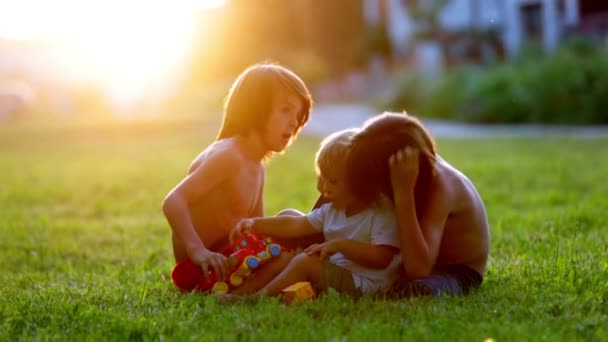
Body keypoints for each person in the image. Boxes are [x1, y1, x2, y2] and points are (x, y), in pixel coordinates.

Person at [162, 63, 313, 292]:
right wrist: (198, 252)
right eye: (285, 110)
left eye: (298, 115)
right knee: (286, 261)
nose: (293, 122)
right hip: (206, 268)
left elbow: (257, 227)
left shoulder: (256, 165)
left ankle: (308, 268)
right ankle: (245, 295)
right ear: (255, 109)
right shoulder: (228, 155)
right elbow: (173, 201)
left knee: (293, 219)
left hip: (236, 254)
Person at [231, 129, 402, 297]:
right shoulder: (333, 208)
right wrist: (255, 223)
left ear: (361, 182)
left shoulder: (381, 212)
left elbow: (382, 258)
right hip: (336, 269)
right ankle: (241, 291)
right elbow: (296, 225)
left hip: (366, 284)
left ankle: (257, 298)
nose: (325, 188)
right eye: (323, 178)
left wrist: (340, 245)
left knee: (304, 262)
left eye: (333, 181)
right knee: (288, 257)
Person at [346, 112, 490, 297]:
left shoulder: (443, 186)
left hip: (454, 272)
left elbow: (418, 269)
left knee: (414, 289)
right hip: (408, 259)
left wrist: (403, 193)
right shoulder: (417, 174)